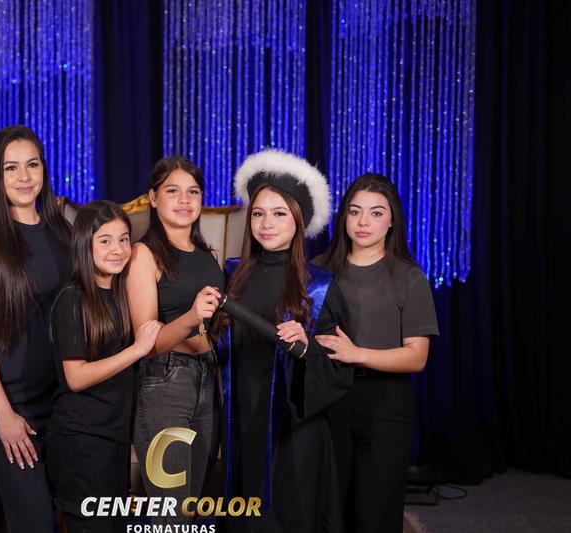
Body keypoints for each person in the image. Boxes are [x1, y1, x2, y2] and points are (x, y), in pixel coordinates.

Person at [214, 150, 353, 532]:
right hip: (242, 419)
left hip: (294, 429)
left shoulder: (319, 288)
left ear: (298, 220)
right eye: (258, 213)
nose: (266, 224)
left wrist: (308, 347)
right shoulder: (232, 277)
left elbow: (340, 368)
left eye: (279, 214)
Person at [0, 125, 72, 532]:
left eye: (32, 165)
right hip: (3, 400)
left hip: (55, 397)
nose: (24, 177)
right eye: (11, 168)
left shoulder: (63, 232)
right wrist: (3, 414)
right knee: (36, 519)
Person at [314, 173, 439, 533]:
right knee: (328, 511)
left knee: (375, 515)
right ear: (344, 218)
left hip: (385, 405)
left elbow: (417, 357)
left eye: (376, 213)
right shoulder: (319, 271)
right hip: (328, 401)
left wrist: (357, 353)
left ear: (392, 220)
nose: (364, 222)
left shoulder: (408, 277)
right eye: (355, 212)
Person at [47, 200, 162, 532]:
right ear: (85, 244)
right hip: (81, 440)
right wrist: (137, 349)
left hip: (113, 437)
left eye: (124, 239)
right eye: (106, 240)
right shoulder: (73, 298)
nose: (118, 249)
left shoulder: (120, 295)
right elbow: (76, 377)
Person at [125, 156, 224, 522]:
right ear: (152, 198)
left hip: (208, 382)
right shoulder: (143, 255)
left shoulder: (209, 255)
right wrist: (191, 317)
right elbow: (147, 345)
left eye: (193, 192)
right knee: (170, 518)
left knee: (190, 511)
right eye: (172, 191)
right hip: (164, 385)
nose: (185, 200)